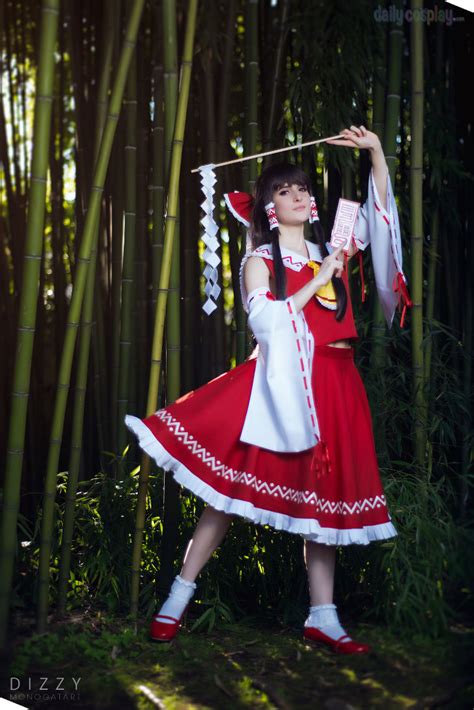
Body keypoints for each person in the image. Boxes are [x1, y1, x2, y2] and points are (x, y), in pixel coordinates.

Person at [125, 125, 408, 654]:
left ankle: (323, 616)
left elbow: (382, 217)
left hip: (338, 382)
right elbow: (268, 326)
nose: (300, 195)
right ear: (269, 209)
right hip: (278, 386)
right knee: (228, 492)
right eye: (285, 191)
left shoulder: (337, 244)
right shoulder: (261, 261)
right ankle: (177, 598)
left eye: (303, 188)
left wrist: (374, 152)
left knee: (326, 500)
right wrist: (318, 273)